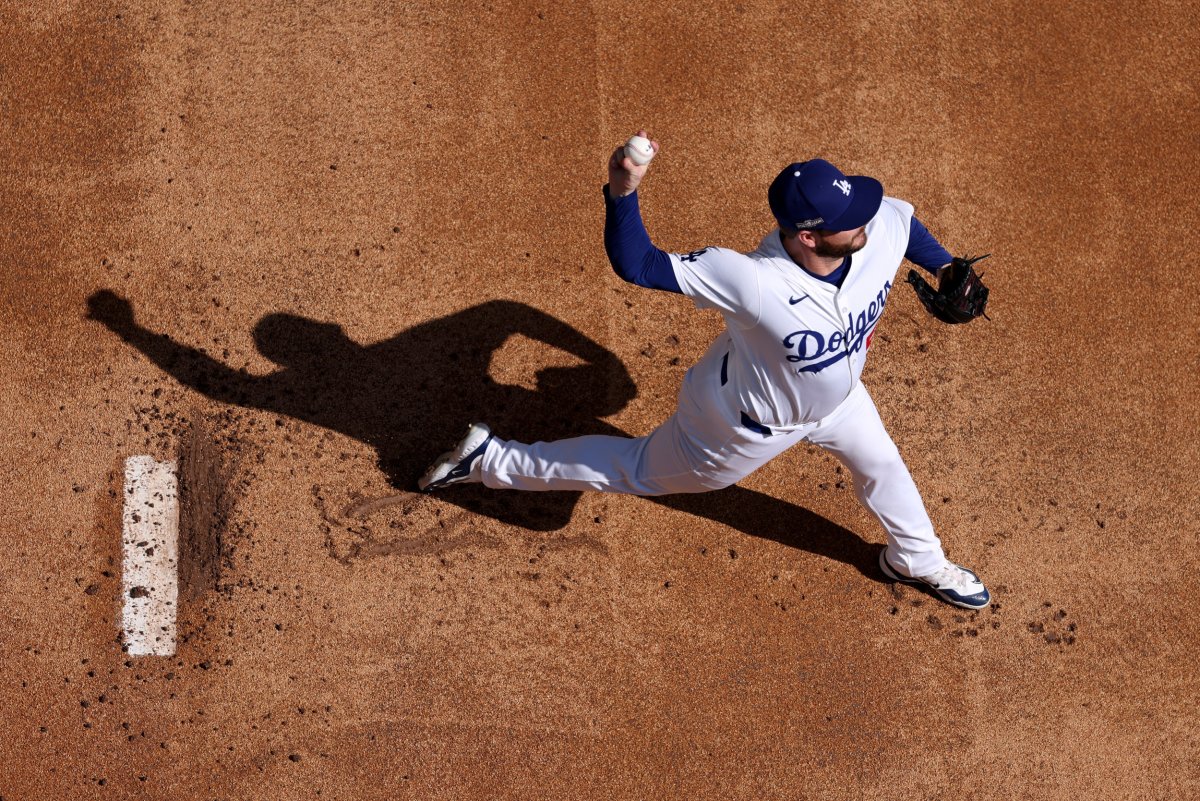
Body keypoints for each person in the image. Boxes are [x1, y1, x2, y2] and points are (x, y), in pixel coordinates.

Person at [418, 131, 990, 610]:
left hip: (839, 402)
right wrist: (622, 191)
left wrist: (944, 268)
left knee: (882, 464)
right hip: (739, 424)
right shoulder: (751, 279)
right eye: (849, 217)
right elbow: (638, 264)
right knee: (637, 469)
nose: (866, 219)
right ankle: (488, 460)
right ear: (808, 235)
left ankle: (917, 561)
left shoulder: (868, 228)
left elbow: (902, 224)